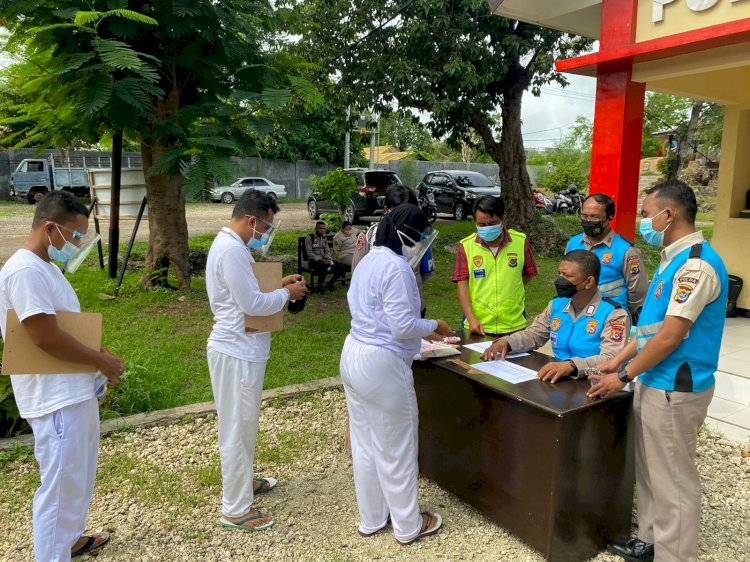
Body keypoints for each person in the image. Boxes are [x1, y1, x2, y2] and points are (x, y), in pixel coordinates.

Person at [589, 180, 728, 562]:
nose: (644, 222)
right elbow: (649, 327)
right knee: (650, 470)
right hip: (654, 378)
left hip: (676, 385)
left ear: (670, 214)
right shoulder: (672, 258)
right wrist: (617, 360)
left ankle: (674, 555)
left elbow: (670, 336)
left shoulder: (696, 265)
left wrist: (623, 375)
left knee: (674, 481)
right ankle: (650, 541)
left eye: (648, 214)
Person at [0, 191, 125, 561]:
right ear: (50, 228)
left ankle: (69, 538)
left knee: (77, 476)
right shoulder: (24, 271)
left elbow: (63, 327)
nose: (76, 244)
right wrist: (99, 361)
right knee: (58, 485)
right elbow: (45, 336)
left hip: (71, 388)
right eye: (74, 235)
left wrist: (96, 355)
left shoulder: (45, 267)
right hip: (53, 395)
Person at [340, 203, 453, 545]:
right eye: (421, 236)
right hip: (382, 364)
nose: (421, 243)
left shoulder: (369, 259)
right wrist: (436, 326)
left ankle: (372, 517)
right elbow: (403, 326)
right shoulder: (398, 267)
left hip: (353, 354)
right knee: (398, 447)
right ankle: (408, 524)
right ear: (409, 235)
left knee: (366, 443)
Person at [206, 189, 308, 532]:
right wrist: (286, 294)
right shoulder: (232, 250)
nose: (265, 233)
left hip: (243, 349)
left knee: (244, 424)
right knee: (236, 428)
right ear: (251, 220)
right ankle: (235, 508)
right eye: (265, 226)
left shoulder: (232, 247)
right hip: (236, 351)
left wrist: (278, 284)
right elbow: (252, 305)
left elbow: (243, 292)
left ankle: (243, 482)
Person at [481, 250, 630, 382]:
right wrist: (507, 342)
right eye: (560, 273)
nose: (560, 280)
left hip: (593, 381)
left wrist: (571, 365)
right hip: (557, 378)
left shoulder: (614, 314)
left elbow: (611, 358)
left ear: (589, 282)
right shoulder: (557, 305)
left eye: (567, 276)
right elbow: (534, 334)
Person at [453, 195, 538, 337]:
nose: (487, 228)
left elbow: (529, 274)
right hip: (478, 326)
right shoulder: (466, 246)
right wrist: (471, 318)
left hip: (513, 325)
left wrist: (511, 288)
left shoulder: (520, 242)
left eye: (492, 223)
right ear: (475, 222)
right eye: (481, 225)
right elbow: (462, 284)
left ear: (502, 220)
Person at [351, 184, 435, 317]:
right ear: (386, 209)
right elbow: (358, 271)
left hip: (413, 306)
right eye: (398, 211)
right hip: (380, 311)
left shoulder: (417, 235)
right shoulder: (370, 235)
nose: (404, 217)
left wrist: (408, 285)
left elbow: (427, 270)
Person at [566, 193, 648, 321]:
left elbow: (638, 294)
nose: (588, 220)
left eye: (594, 217)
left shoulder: (626, 250)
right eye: (584, 216)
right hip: (576, 316)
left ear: (609, 217)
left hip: (610, 319)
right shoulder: (573, 243)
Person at [305, 221, 348, 293]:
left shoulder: (324, 238)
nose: (322, 230)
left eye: (323, 228)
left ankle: (330, 284)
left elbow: (327, 251)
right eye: (320, 228)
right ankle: (319, 287)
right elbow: (309, 253)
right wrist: (320, 260)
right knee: (324, 269)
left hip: (325, 260)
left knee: (341, 267)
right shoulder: (310, 238)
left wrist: (328, 259)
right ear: (316, 228)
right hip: (314, 261)